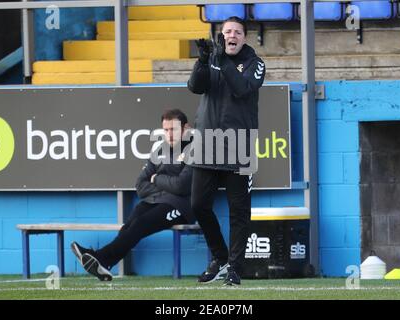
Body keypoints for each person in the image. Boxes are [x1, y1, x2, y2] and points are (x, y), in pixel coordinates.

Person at [71, 109, 194, 281]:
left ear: (185, 128)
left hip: (180, 206)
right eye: (165, 130)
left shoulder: (194, 149)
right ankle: (104, 263)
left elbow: (181, 186)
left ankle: (101, 257)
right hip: (155, 201)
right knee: (131, 223)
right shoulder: (160, 150)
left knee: (141, 223)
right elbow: (141, 186)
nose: (169, 134)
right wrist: (166, 186)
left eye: (173, 129)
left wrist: (156, 178)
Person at [187, 16, 265, 285]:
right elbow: (195, 87)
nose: (231, 35)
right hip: (207, 143)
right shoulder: (212, 59)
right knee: (198, 204)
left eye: (237, 32)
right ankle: (220, 256)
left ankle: (235, 268)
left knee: (238, 211)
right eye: (227, 31)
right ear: (221, 35)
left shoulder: (256, 63)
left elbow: (243, 89)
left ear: (244, 37)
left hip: (238, 145)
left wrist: (222, 63)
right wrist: (202, 61)